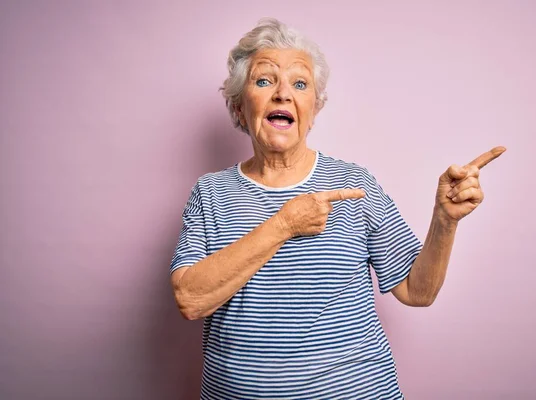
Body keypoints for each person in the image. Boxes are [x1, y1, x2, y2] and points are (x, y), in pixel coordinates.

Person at [169, 17, 505, 400]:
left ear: (314, 109)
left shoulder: (353, 183)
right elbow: (191, 299)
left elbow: (417, 290)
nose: (283, 94)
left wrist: (444, 221)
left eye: (300, 83)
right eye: (264, 81)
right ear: (238, 108)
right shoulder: (210, 192)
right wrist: (285, 223)